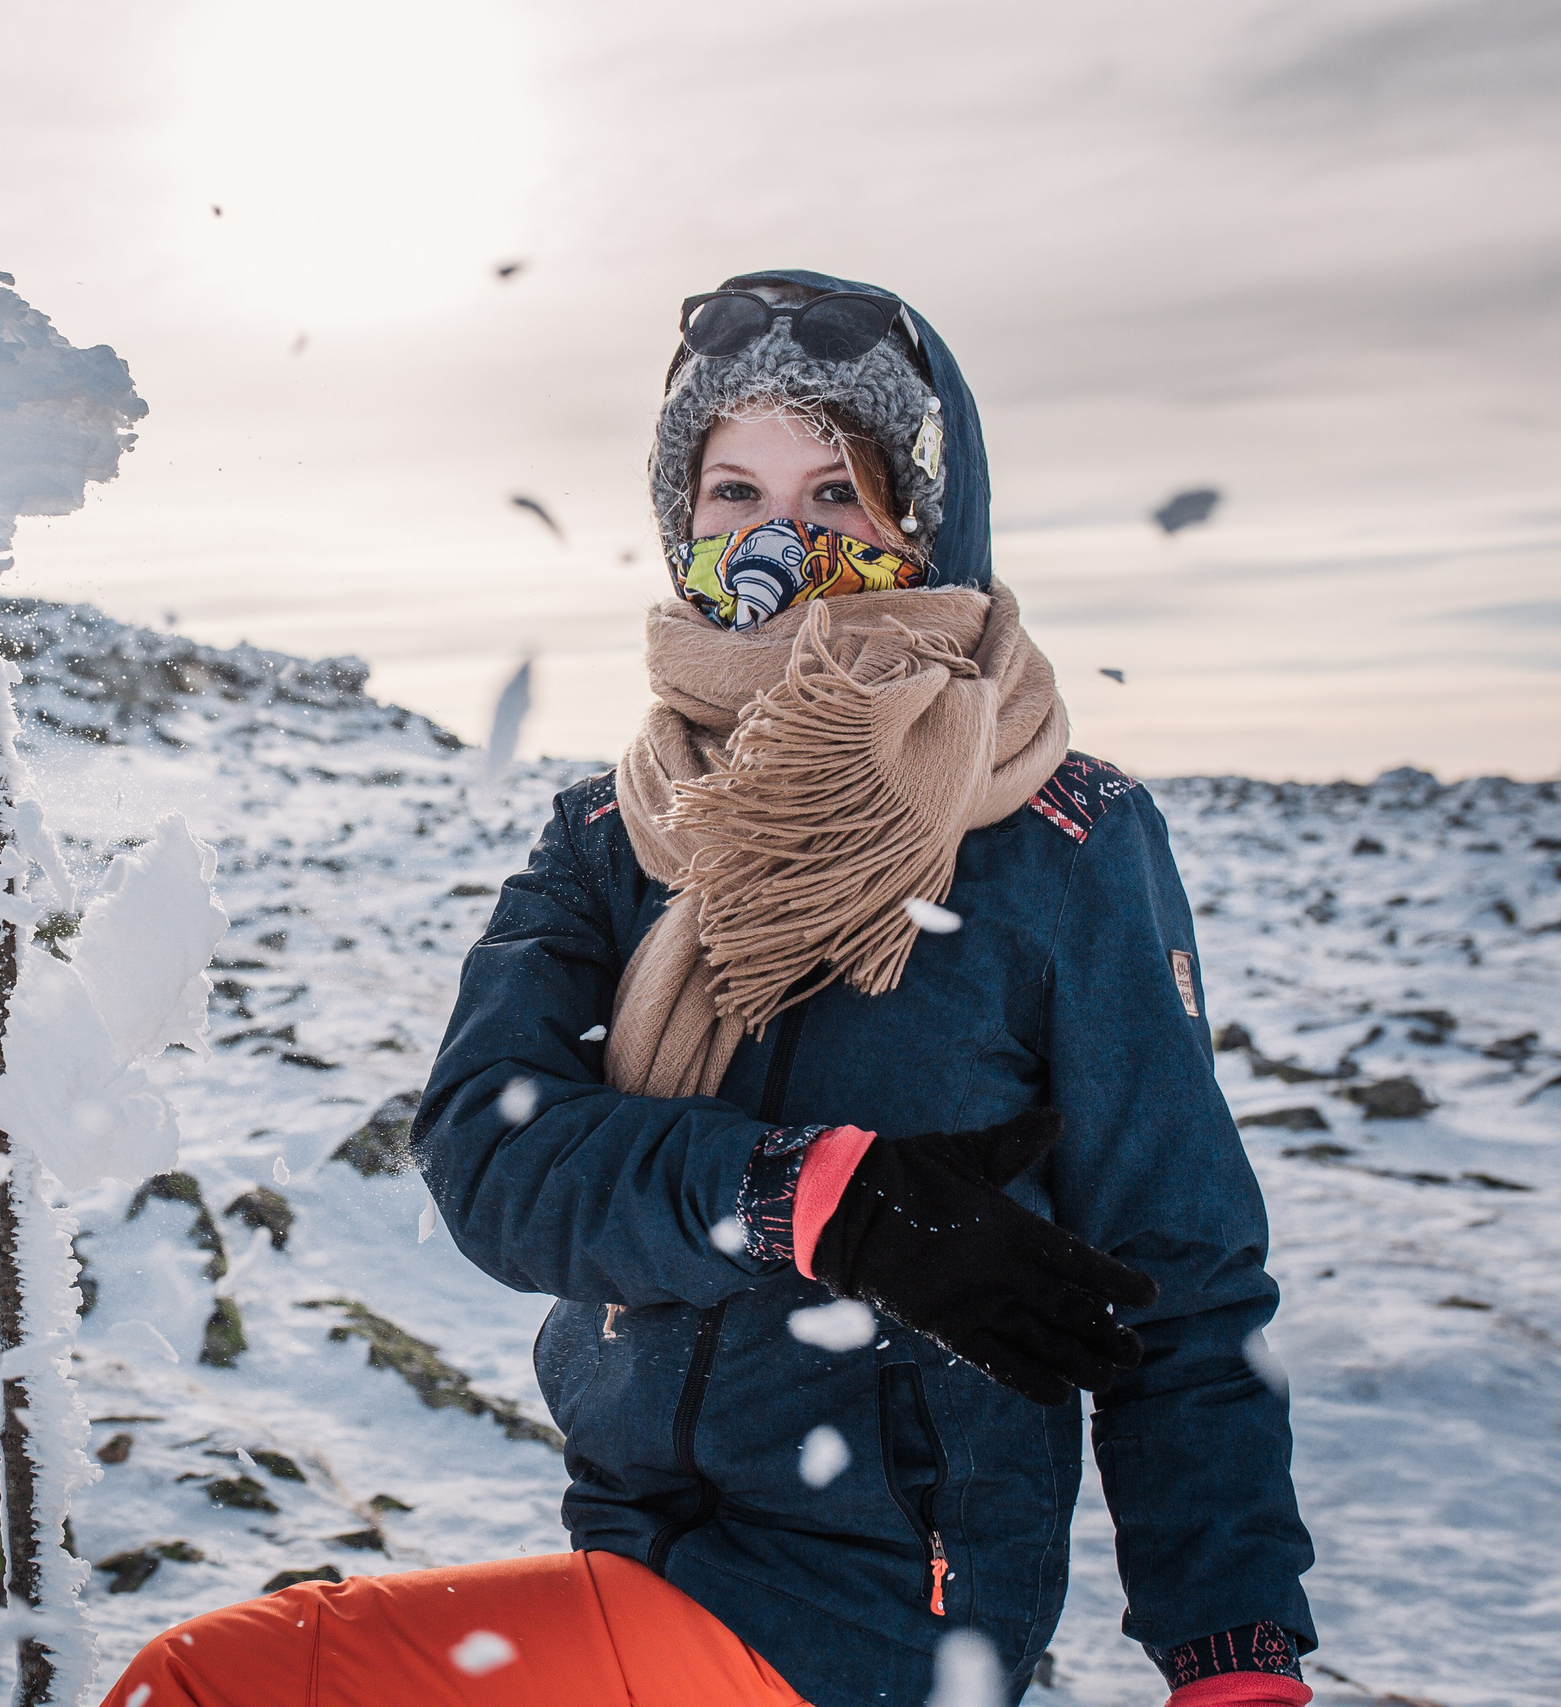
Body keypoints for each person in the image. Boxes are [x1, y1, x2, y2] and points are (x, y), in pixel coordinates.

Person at [98, 271, 1315, 1707]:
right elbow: (490, 1152)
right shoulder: (614, 830)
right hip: (631, 1552)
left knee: (207, 1689)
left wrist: (1231, 1658)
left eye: (838, 493)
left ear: (927, 525)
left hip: (881, 1622)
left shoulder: (1059, 843)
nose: (778, 541)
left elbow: (1181, 1274)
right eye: (733, 492)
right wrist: (809, 1198)